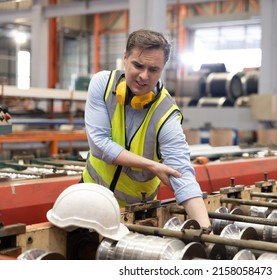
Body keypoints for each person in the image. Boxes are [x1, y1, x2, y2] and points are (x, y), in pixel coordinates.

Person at [81, 28, 211, 228]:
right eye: (138, 65)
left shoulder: (166, 114)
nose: (144, 76)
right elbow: (99, 145)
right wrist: (151, 165)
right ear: (125, 58)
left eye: (153, 70)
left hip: (136, 216)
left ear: (162, 69)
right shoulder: (103, 85)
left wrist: (205, 230)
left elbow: (181, 173)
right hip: (90, 200)